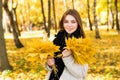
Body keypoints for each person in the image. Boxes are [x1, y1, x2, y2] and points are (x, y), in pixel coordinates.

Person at [45, 9, 88, 80]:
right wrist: (50, 65)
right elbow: (50, 69)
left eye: (73, 22)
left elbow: (82, 73)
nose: (69, 25)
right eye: (66, 21)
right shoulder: (57, 39)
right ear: (62, 23)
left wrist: (68, 58)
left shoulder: (82, 44)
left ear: (78, 23)